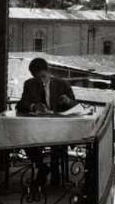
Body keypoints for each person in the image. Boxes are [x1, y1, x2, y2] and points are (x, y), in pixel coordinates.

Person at [16, 58, 77, 186]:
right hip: (37, 127)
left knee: (59, 141)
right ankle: (42, 167)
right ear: (33, 76)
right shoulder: (29, 84)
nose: (41, 81)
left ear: (48, 72)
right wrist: (33, 106)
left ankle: (55, 170)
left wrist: (67, 101)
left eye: (43, 76)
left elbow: (75, 106)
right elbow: (21, 104)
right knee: (24, 138)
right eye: (37, 78)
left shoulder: (62, 84)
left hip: (58, 127)